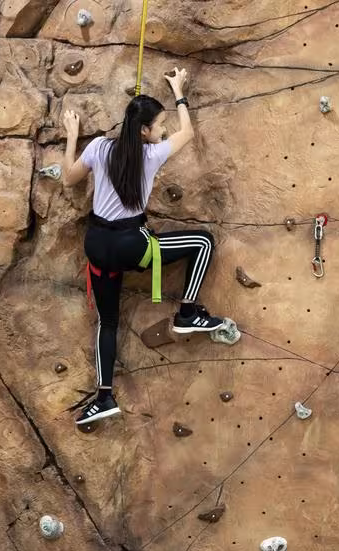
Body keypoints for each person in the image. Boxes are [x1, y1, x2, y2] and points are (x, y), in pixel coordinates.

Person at [61, 67, 225, 426]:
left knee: (107, 321)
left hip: (97, 246)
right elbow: (188, 132)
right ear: (144, 131)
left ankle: (104, 397)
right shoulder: (152, 155)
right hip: (131, 246)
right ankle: (187, 314)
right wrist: (179, 90)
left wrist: (72, 135)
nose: (163, 130)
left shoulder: (100, 147)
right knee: (202, 241)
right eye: (158, 125)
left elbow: (68, 179)